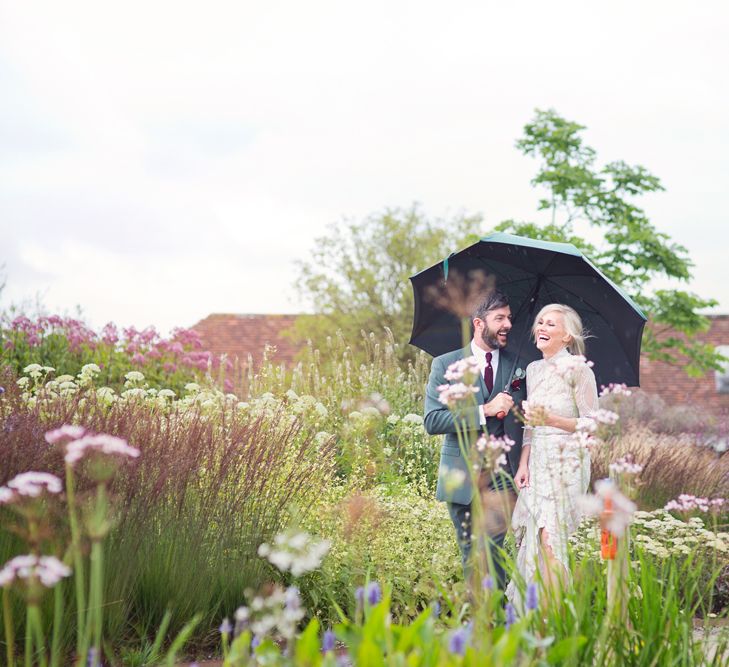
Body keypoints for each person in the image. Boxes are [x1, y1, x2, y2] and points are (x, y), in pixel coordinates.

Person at [424, 290, 527, 590]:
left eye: (509, 317)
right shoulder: (446, 365)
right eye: (500, 318)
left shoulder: (520, 365)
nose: (508, 324)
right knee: (471, 553)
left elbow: (529, 422)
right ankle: (481, 624)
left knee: (492, 550)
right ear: (479, 323)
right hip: (461, 474)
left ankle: (495, 618)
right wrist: (484, 410)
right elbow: (433, 420)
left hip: (502, 476)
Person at [506, 303, 599, 606]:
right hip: (538, 462)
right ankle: (535, 616)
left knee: (551, 539)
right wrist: (523, 464)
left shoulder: (579, 370)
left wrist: (554, 420)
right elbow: (531, 426)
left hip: (567, 461)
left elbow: (593, 424)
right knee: (535, 537)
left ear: (567, 337)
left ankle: (554, 616)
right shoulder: (533, 370)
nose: (542, 328)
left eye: (551, 325)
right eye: (540, 322)